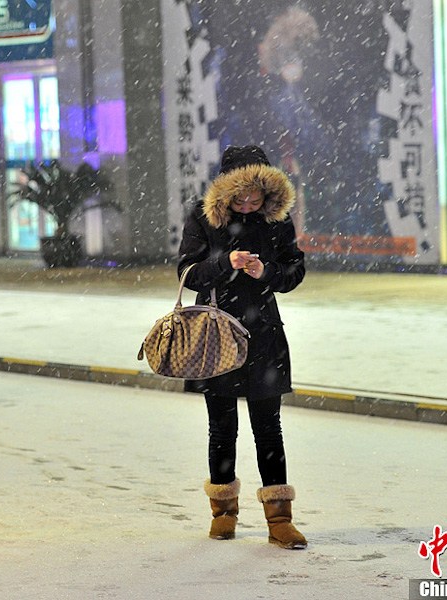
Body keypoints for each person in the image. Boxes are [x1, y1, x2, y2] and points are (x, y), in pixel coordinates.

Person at [177, 144, 307, 548]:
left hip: (264, 335)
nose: (249, 203)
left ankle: (279, 519)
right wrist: (224, 264)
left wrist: (265, 270)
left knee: (269, 428)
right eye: (241, 196)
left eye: (257, 196)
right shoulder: (203, 218)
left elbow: (294, 270)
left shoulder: (276, 222)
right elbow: (187, 272)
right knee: (222, 426)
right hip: (217, 334)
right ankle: (223, 511)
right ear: (225, 192)